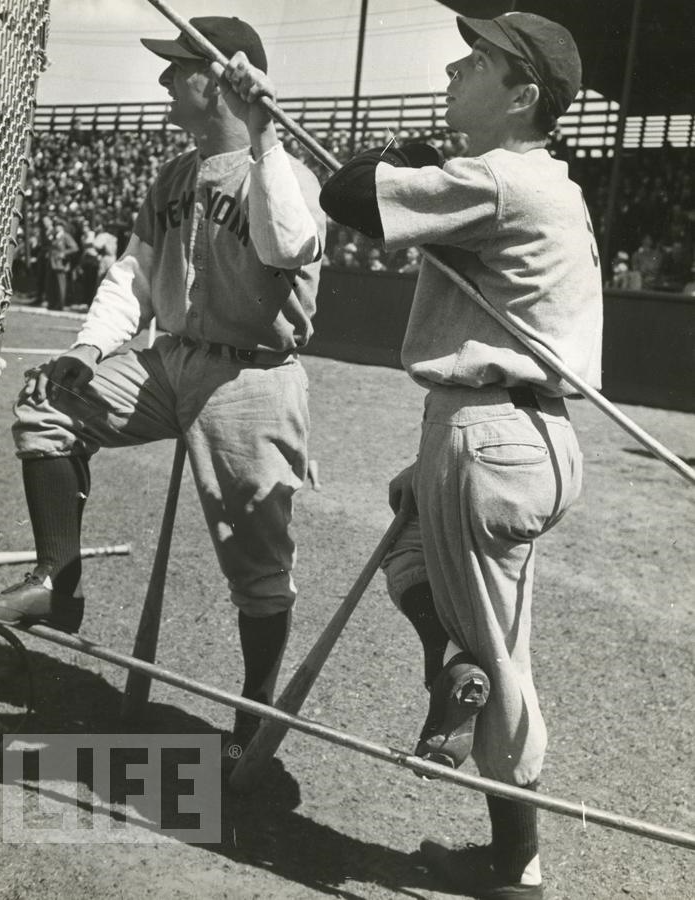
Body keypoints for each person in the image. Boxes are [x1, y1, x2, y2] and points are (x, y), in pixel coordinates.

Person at [0, 16, 325, 762]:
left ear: (222, 79)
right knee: (47, 401)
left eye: (178, 69)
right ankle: (56, 582)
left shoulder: (286, 171)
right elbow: (135, 272)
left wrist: (265, 136)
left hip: (253, 376)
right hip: (171, 360)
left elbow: (291, 244)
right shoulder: (174, 173)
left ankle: (252, 713)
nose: (165, 80)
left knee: (255, 569)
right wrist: (88, 344)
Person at [320, 11, 602, 899]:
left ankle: (516, 867)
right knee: (411, 555)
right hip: (526, 434)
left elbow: (345, 196)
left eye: (475, 61)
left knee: (500, 658)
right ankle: (455, 678)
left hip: (487, 429)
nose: (451, 66)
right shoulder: (537, 179)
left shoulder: (501, 179)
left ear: (522, 97)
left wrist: (401, 150)